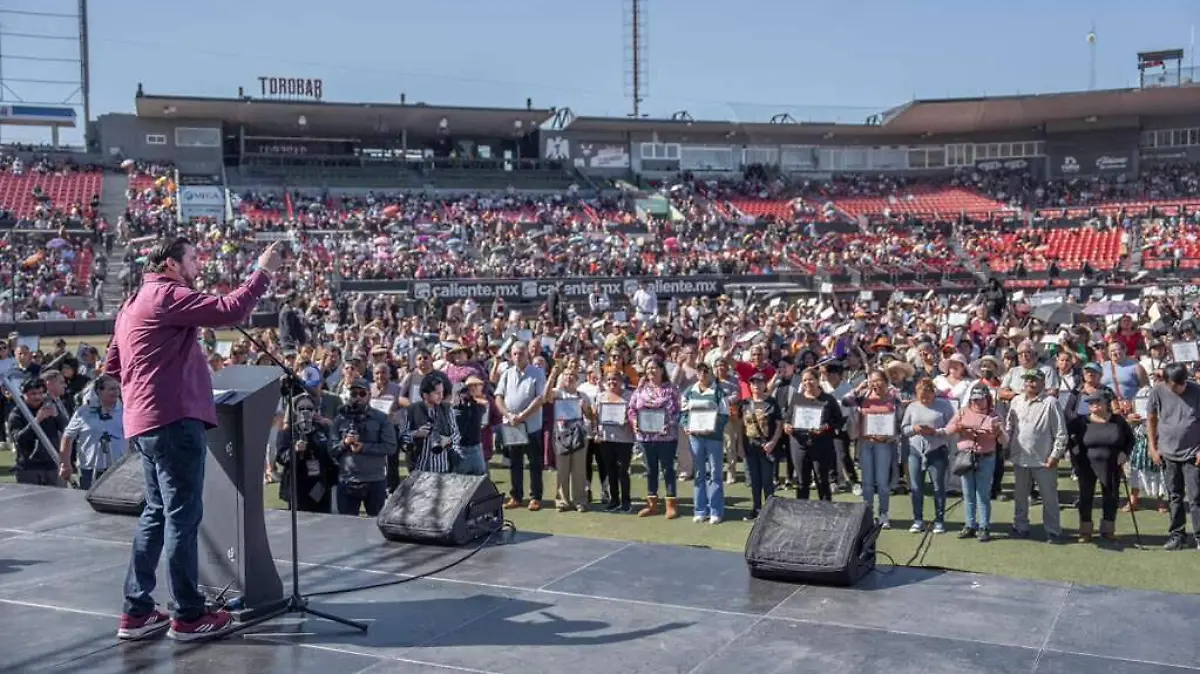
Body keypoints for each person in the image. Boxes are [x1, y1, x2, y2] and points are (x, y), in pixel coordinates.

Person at [106, 236, 283, 642]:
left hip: (144, 422)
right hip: (174, 422)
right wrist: (263, 271)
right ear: (171, 264)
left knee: (156, 514)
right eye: (192, 258)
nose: (198, 265)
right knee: (182, 519)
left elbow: (113, 364)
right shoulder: (167, 294)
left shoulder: (132, 303)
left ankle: (136, 611)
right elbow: (231, 309)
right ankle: (187, 615)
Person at [1068, 388, 1134, 543]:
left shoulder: (1118, 421)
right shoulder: (1081, 421)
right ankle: (1085, 531)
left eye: (1097, 402)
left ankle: (1108, 530)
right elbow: (1068, 438)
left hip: (1111, 464)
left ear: (1106, 404)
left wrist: (1124, 453)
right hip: (1086, 464)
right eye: (1091, 402)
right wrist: (1075, 453)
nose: (1094, 405)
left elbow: (1130, 440)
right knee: (1085, 497)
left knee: (1111, 496)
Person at [1146, 363, 1200, 551]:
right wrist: (1153, 447)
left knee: (1196, 497)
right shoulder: (1157, 391)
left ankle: (1199, 536)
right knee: (1174, 496)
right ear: (1167, 382)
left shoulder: (1197, 391)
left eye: (1182, 383)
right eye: (1175, 385)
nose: (1180, 388)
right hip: (1168, 452)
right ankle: (1177, 535)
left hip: (1193, 453)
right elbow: (1151, 418)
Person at [58, 374, 126, 489]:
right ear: (99, 391)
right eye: (111, 389)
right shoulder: (83, 412)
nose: (116, 392)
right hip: (89, 469)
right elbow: (68, 437)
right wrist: (65, 463)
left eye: (117, 389)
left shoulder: (124, 411)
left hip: (118, 468)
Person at [274, 393, 337, 513]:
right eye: (301, 409)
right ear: (295, 411)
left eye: (309, 408)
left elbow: (332, 456)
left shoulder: (323, 429)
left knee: (322, 519)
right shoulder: (288, 432)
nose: (305, 412)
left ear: (315, 411)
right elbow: (281, 457)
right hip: (298, 487)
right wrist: (295, 450)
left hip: (320, 485)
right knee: (300, 520)